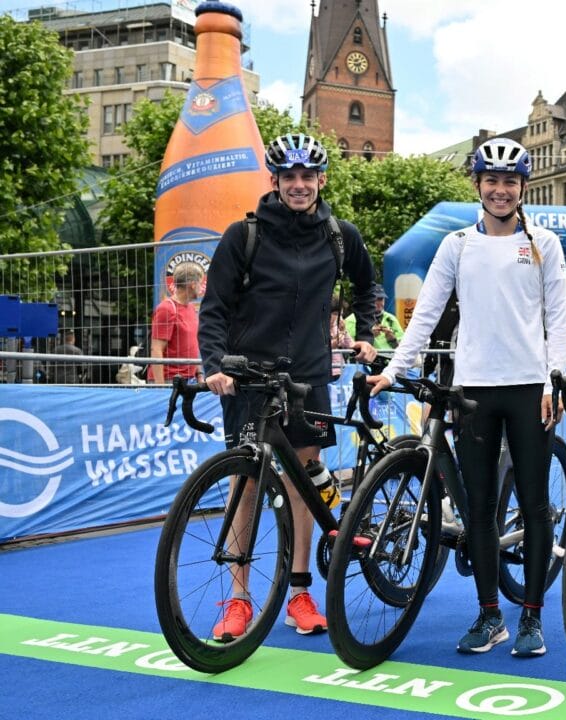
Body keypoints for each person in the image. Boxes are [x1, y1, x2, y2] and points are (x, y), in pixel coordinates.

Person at [369, 137, 566, 657]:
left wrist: (554, 379)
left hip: (529, 389)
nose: (501, 190)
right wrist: (394, 369)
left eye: (510, 181)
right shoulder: (456, 244)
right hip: (473, 391)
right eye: (492, 181)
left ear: (523, 187)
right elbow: (426, 313)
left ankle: (531, 617)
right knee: (478, 510)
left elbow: (558, 317)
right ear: (478, 185)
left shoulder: (544, 243)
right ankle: (489, 616)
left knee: (534, 506)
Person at [198, 133, 379, 640]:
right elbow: (213, 308)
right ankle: (238, 599)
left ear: (322, 180)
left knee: (303, 481)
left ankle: (299, 592)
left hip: (308, 376)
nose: (299, 185)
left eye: (308, 177)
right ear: (274, 181)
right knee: (246, 483)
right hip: (248, 377)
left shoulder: (340, 235)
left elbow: (369, 285)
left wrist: (366, 334)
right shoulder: (244, 235)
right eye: (289, 177)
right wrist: (214, 365)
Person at [150, 263, 205, 383]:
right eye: (200, 283)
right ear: (193, 284)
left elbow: (192, 346)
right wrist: (160, 388)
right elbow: (156, 349)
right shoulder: (166, 309)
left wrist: (200, 374)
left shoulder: (191, 308)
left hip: (189, 379)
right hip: (170, 380)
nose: (201, 288)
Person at [346, 283, 402, 352]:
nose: (379, 303)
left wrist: (392, 340)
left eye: (381, 299)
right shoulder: (352, 319)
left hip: (390, 358)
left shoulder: (391, 319)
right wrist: (368, 337)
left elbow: (403, 348)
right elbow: (347, 347)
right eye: (375, 299)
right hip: (366, 358)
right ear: (367, 300)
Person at [329, 296, 354, 379]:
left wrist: (344, 331)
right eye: (336, 314)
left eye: (341, 315)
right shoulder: (319, 328)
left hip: (340, 370)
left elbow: (350, 345)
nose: (339, 318)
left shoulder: (337, 328)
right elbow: (329, 346)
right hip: (325, 370)